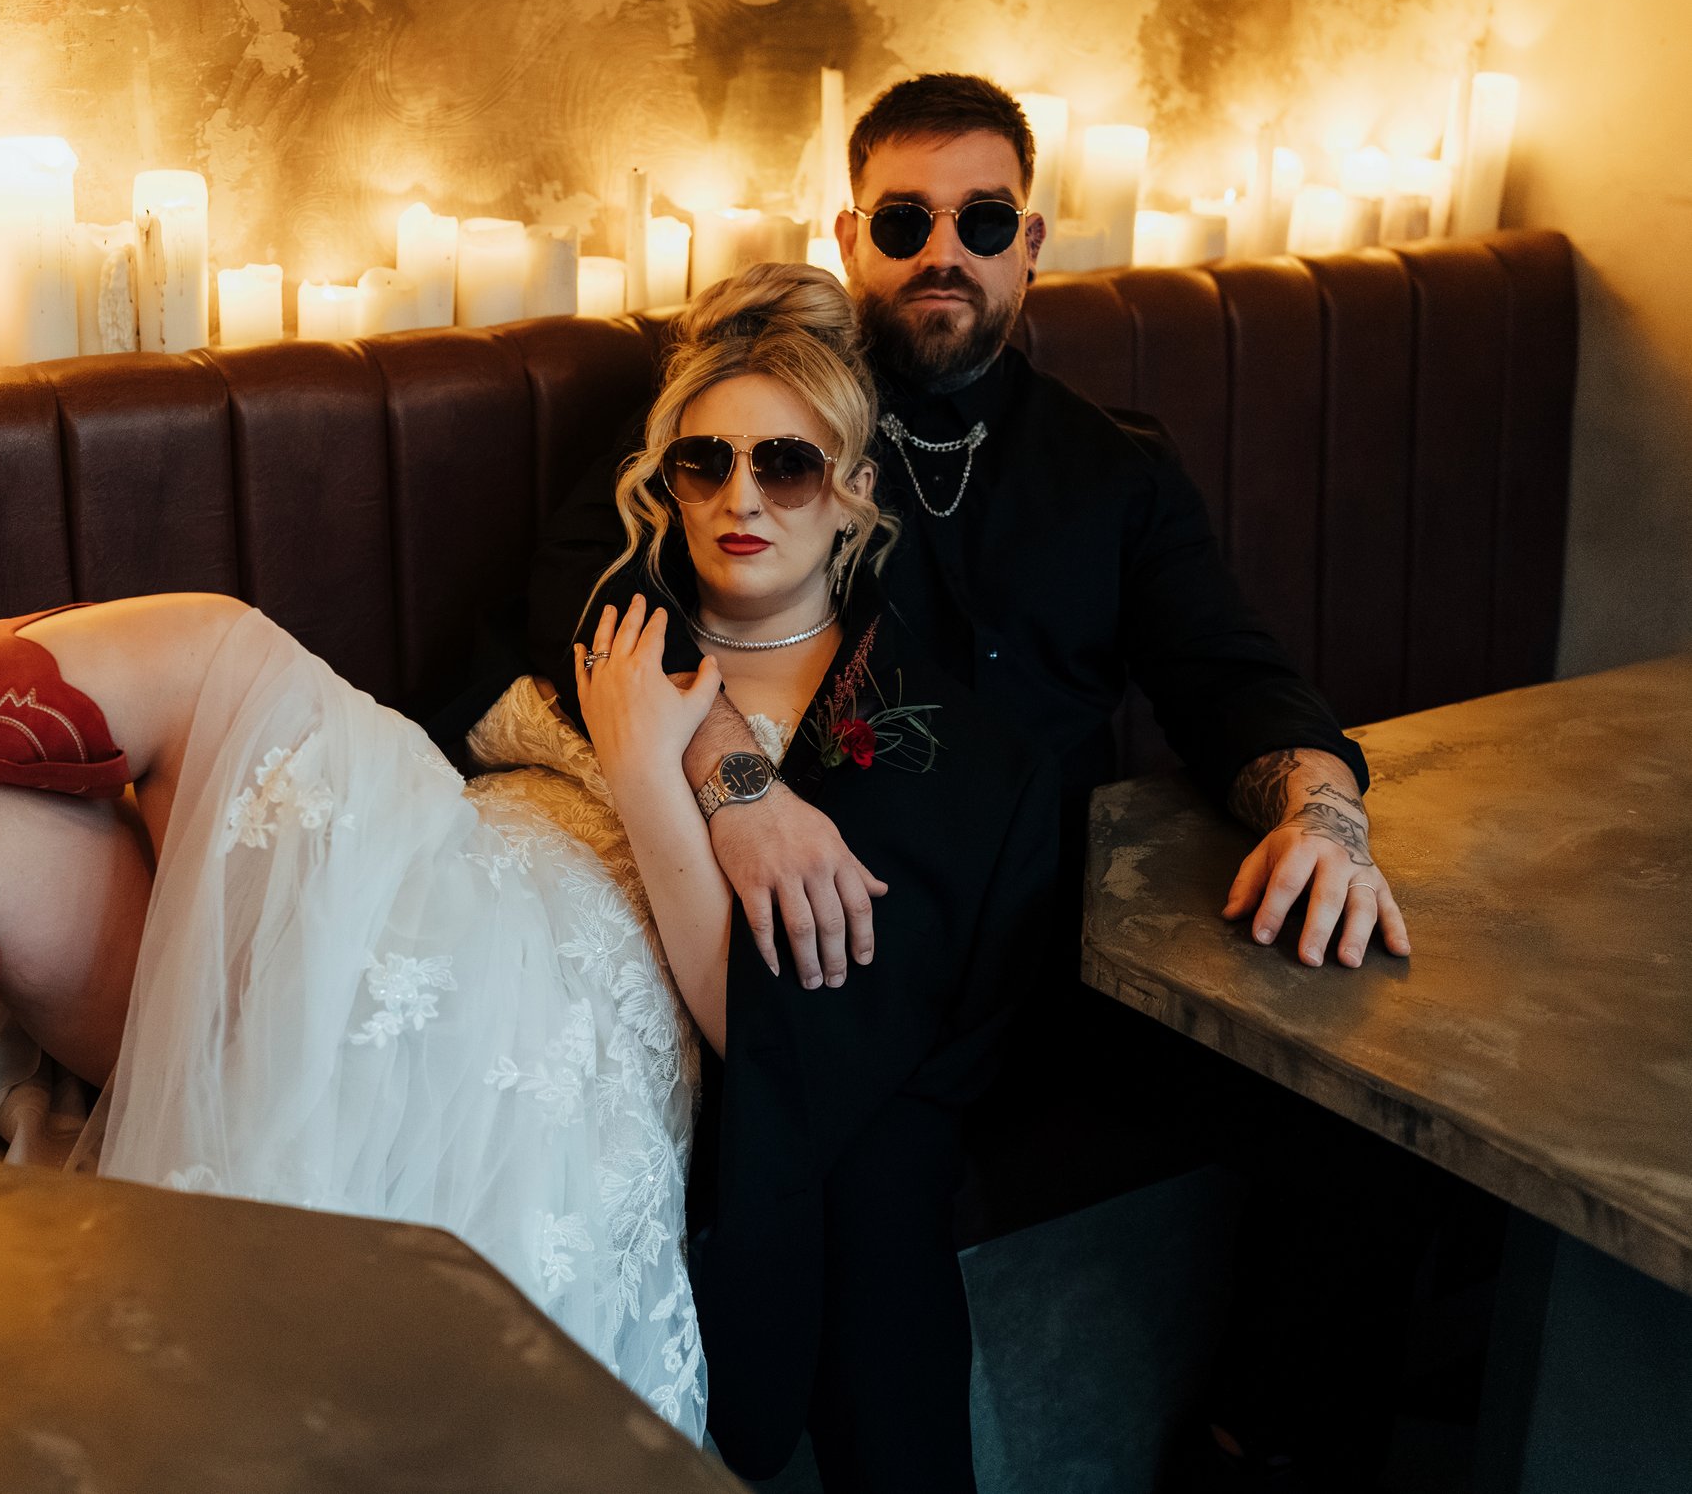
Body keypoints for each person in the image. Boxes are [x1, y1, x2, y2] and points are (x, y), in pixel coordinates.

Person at [0, 265, 1054, 1463]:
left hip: (552, 1058)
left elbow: (796, 1057)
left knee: (215, 644)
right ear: (662, 482)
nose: (740, 495)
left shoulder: (911, 734)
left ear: (855, 500)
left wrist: (671, 781)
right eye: (703, 459)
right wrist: (635, 719)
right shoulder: (613, 621)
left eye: (786, 464)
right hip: (405, 946)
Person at [527, 73, 1420, 1486]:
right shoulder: (779, 419)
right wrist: (732, 773)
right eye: (905, 218)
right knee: (878, 1167)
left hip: (1053, 934)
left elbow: (1230, 672)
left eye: (982, 217)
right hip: (853, 936)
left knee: (1375, 1122)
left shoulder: (1112, 472)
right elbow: (584, 585)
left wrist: (1324, 809)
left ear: (1032, 241)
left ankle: (1263, 1439)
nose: (944, 247)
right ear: (853, 236)